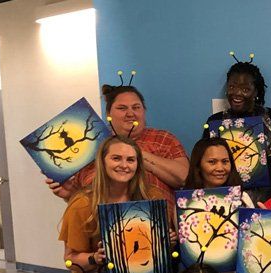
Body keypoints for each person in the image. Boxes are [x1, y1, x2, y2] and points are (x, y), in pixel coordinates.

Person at [58, 135, 173, 273]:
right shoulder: (83, 204)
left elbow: (163, 252)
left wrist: (167, 241)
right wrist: (95, 257)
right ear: (102, 162)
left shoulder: (153, 197)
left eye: (130, 160)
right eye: (116, 158)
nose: (124, 165)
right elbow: (70, 259)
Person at [48, 83, 188, 201]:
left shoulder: (164, 139)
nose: (130, 113)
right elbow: (82, 203)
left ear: (144, 111)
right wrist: (69, 196)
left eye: (136, 107)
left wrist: (135, 154)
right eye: (122, 108)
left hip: (161, 226)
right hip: (102, 228)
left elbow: (184, 177)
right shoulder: (91, 145)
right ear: (108, 114)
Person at [182, 138, 262, 273]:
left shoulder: (242, 198)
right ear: (198, 166)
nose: (220, 167)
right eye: (212, 162)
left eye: (225, 161)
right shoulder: (185, 202)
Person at [202, 58, 271, 174]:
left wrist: (265, 152)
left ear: (256, 92)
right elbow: (204, 162)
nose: (237, 93)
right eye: (231, 87)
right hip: (229, 188)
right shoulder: (215, 121)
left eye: (245, 89)